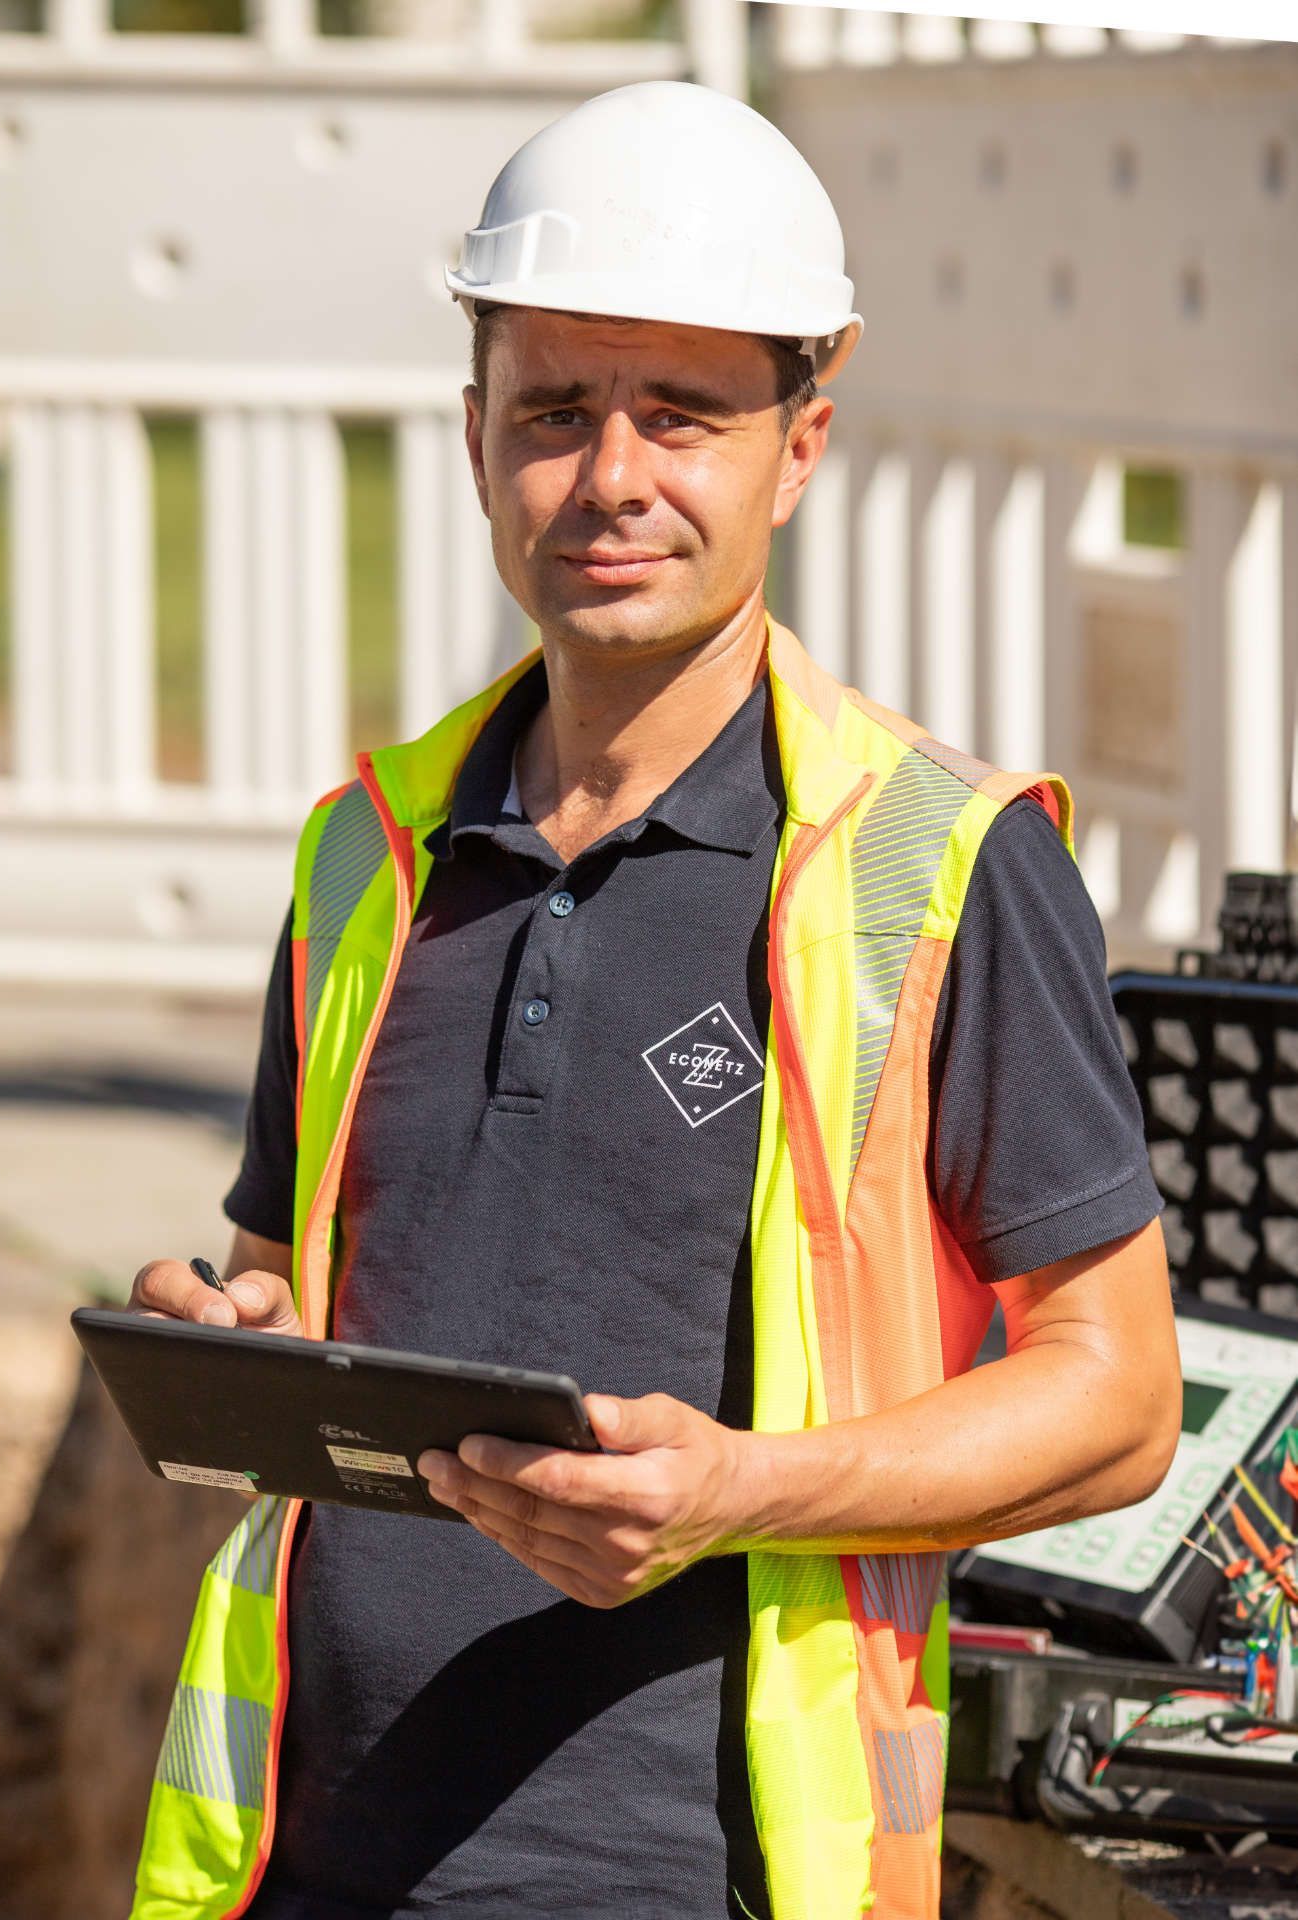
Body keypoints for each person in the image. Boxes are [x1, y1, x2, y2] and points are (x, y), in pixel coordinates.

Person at [126, 81, 1180, 1920]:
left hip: (696, 1877)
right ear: (474, 440)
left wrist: (739, 1491)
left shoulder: (935, 861)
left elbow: (1116, 1398)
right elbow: (310, 1274)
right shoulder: (364, 851)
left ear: (800, 449)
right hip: (307, 1864)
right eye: (553, 411)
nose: (611, 476)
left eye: (681, 415)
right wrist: (240, 1340)